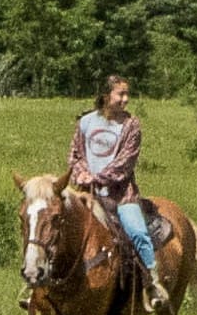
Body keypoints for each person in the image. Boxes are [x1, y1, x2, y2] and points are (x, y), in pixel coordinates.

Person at [65, 74, 160, 301]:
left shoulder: (131, 126)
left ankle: (152, 283)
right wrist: (82, 173)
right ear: (106, 96)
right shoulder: (86, 122)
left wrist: (97, 178)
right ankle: (36, 286)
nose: (126, 99)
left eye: (127, 94)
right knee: (52, 228)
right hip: (85, 194)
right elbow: (75, 154)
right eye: (121, 94)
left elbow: (125, 162)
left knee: (137, 232)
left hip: (120, 197)